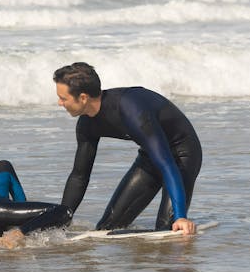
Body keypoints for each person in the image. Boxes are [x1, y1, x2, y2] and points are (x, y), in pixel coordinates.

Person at [54, 62, 202, 235]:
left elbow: (167, 164)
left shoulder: (130, 109)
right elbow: (79, 176)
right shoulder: (86, 124)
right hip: (151, 156)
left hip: (182, 154)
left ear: (83, 97)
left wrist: (181, 217)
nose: (60, 103)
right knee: (106, 229)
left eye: (63, 98)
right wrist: (60, 221)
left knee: (168, 231)